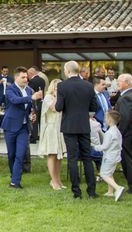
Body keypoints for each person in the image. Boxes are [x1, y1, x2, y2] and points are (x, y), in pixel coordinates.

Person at [55, 60, 98, 199]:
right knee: (87, 157)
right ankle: (91, 191)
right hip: (84, 125)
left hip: (69, 126)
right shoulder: (88, 85)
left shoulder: (62, 86)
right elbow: (94, 107)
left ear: (67, 70)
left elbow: (58, 107)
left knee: (72, 158)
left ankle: (76, 192)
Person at [2, 67, 42, 188]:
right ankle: (13, 174)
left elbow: (31, 106)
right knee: (12, 155)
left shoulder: (29, 90)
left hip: (24, 127)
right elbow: (15, 100)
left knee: (21, 154)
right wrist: (32, 98)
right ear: (16, 77)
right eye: (23, 77)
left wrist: (33, 113)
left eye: (26, 77)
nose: (26, 79)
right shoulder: (10, 89)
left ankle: (15, 181)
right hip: (10, 126)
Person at [37, 79, 66, 190]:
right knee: (52, 154)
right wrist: (58, 96)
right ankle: (53, 181)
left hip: (60, 129)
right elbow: (54, 108)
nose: (58, 89)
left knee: (60, 156)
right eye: (57, 87)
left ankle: (58, 179)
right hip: (51, 128)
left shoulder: (62, 98)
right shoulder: (49, 98)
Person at [95, 110, 125, 201]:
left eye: (106, 118)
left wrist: (94, 147)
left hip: (109, 157)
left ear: (110, 120)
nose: (105, 120)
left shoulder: (109, 133)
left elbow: (104, 146)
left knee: (104, 174)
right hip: (115, 156)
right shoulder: (116, 131)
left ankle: (118, 188)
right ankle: (110, 191)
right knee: (110, 173)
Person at [27, 67, 46, 144]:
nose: (27, 76)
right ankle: (42, 136)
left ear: (31, 73)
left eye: (28, 74)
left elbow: (30, 92)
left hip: (35, 102)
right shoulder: (42, 80)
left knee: (34, 120)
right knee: (41, 121)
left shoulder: (32, 81)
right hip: (41, 102)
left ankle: (34, 138)